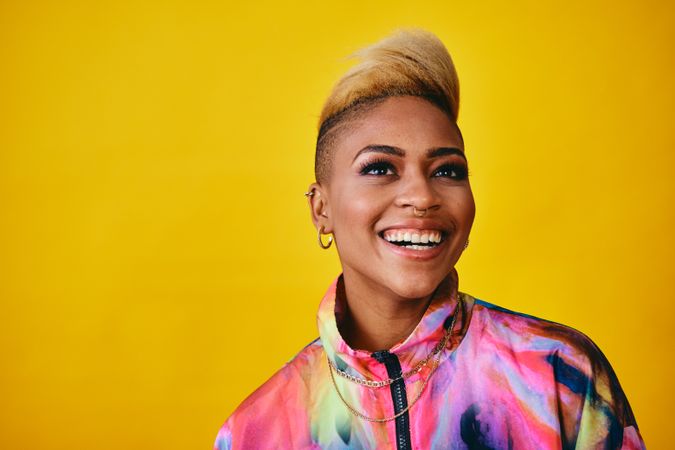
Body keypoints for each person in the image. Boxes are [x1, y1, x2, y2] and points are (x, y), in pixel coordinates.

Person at [213, 28, 645, 449]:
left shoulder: (560, 374)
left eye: (447, 170)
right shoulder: (257, 430)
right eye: (380, 167)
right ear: (321, 209)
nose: (422, 196)